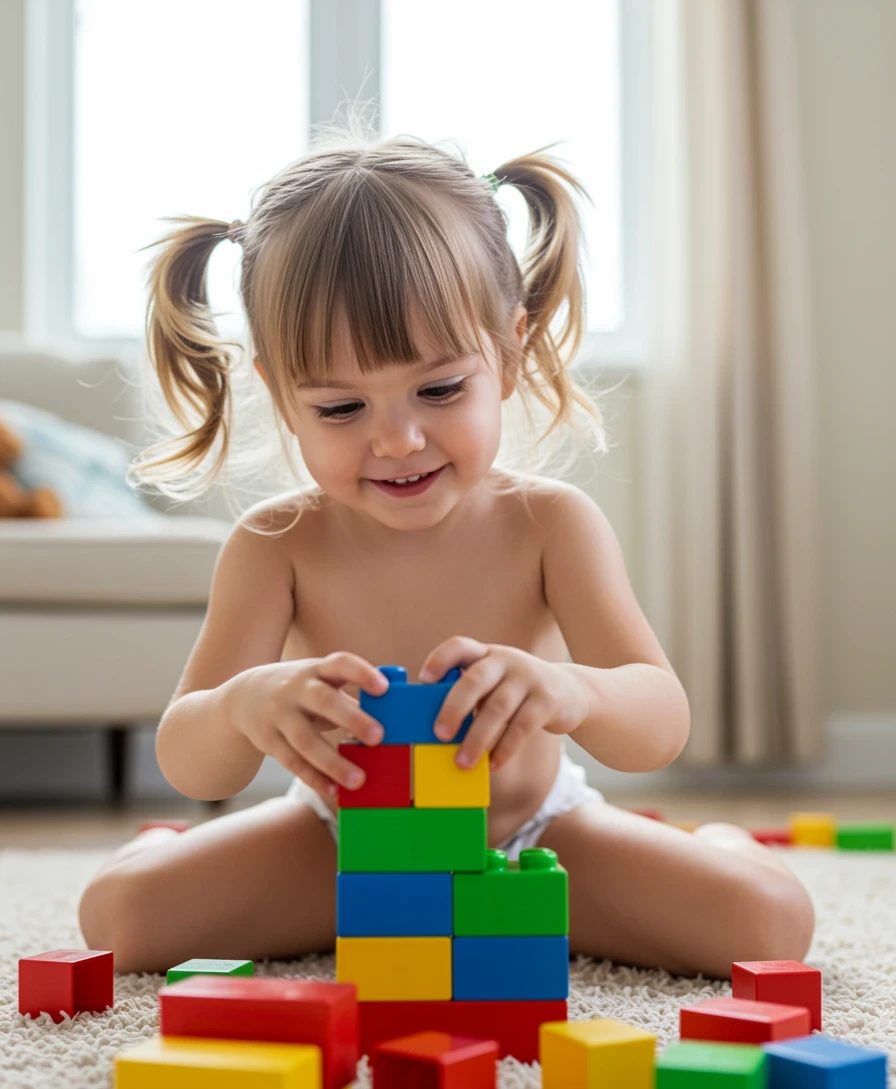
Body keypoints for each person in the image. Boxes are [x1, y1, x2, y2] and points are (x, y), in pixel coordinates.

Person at [78, 115, 814, 979]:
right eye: (341, 409)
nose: (397, 441)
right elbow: (186, 749)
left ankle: (719, 846)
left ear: (509, 351)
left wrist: (569, 690)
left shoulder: (551, 524)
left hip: (536, 837)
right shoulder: (274, 543)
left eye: (438, 389)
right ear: (281, 396)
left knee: (769, 923)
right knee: (118, 917)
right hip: (339, 842)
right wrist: (246, 705)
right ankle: (191, 861)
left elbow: (657, 723)